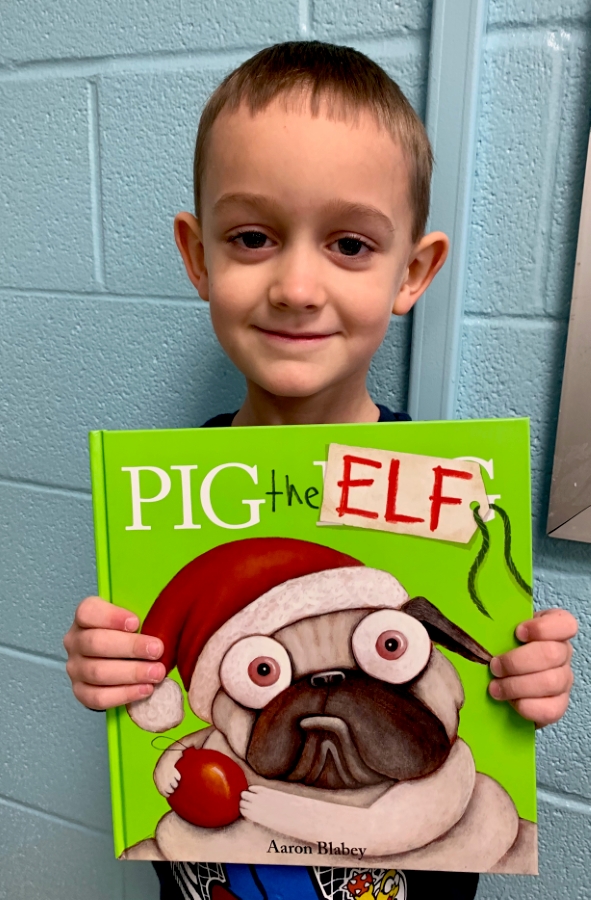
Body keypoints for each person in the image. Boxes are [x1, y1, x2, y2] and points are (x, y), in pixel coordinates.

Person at [63, 41, 577, 900]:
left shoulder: (459, 504)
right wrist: (108, 665)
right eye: (253, 236)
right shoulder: (162, 502)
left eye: (347, 243)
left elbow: (495, 692)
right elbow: (144, 692)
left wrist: (523, 679)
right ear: (200, 257)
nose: (298, 286)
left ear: (410, 273)